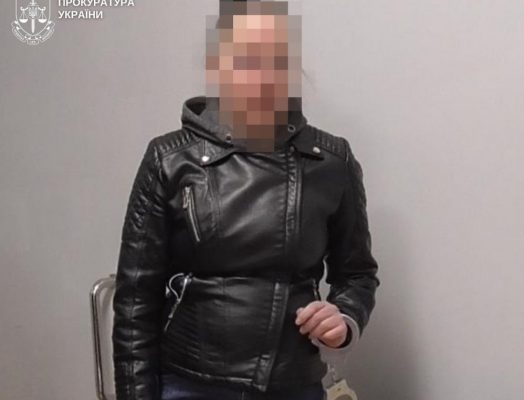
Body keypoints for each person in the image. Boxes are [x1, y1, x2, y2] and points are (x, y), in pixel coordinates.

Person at [111, 1, 380, 399]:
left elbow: (357, 274)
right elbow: (136, 302)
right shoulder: (170, 159)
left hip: (292, 383)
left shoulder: (331, 161)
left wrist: (343, 318)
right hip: (190, 383)